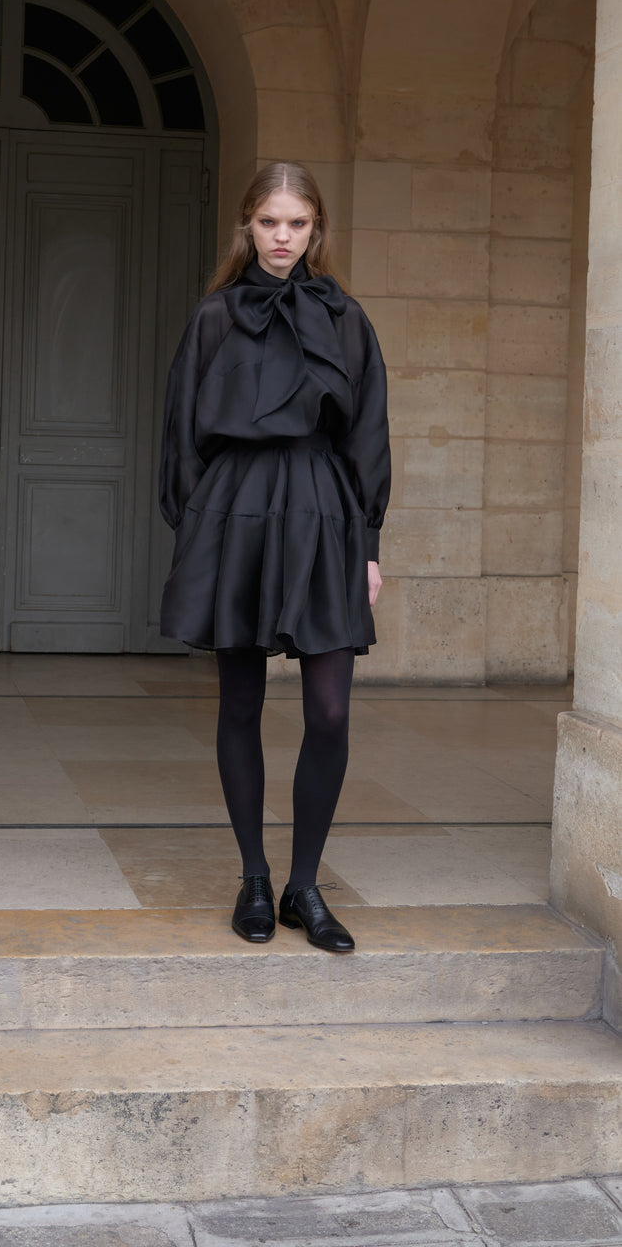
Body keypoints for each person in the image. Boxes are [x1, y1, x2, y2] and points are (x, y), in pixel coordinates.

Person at [159, 161, 389, 951]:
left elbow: (368, 440)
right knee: (240, 703)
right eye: (269, 223)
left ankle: (304, 887)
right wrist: (195, 534)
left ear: (317, 228)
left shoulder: (349, 321)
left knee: (329, 709)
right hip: (236, 514)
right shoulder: (215, 318)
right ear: (247, 228)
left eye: (297, 224)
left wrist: (368, 545)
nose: (283, 238)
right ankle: (254, 878)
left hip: (325, 512)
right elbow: (182, 437)